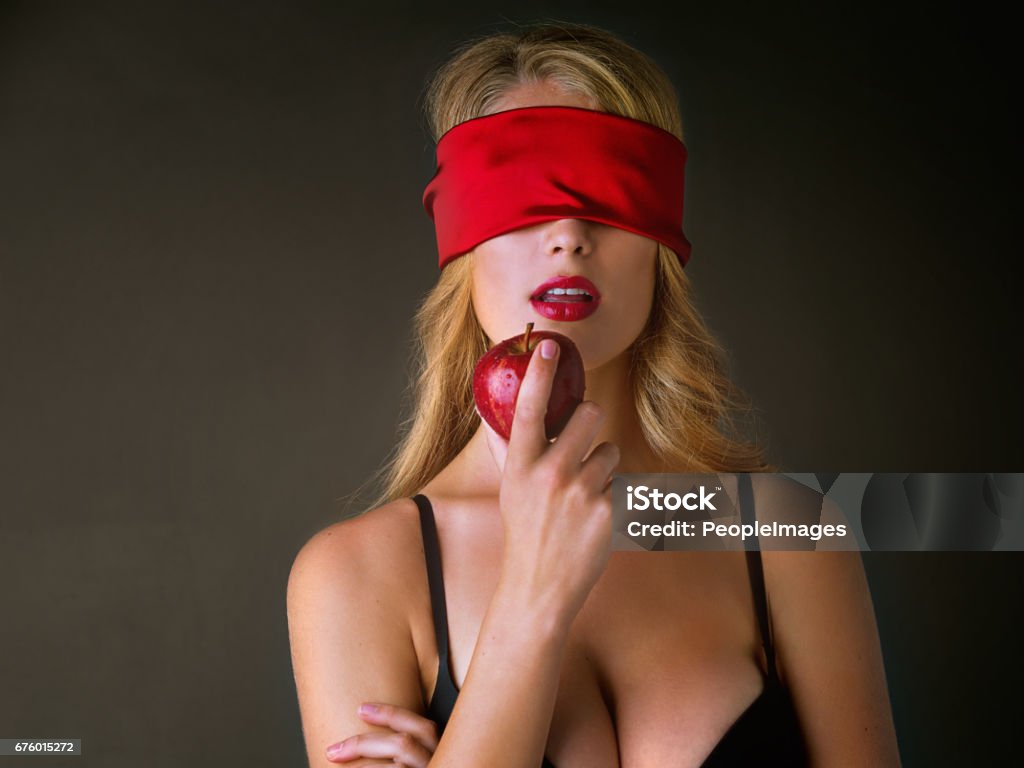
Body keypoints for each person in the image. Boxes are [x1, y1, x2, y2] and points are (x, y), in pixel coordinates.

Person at [287, 21, 901, 767]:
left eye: (611, 192)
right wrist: (532, 596)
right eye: (520, 194)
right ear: (463, 245)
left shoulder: (784, 542)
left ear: (661, 240)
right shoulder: (358, 577)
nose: (570, 232)